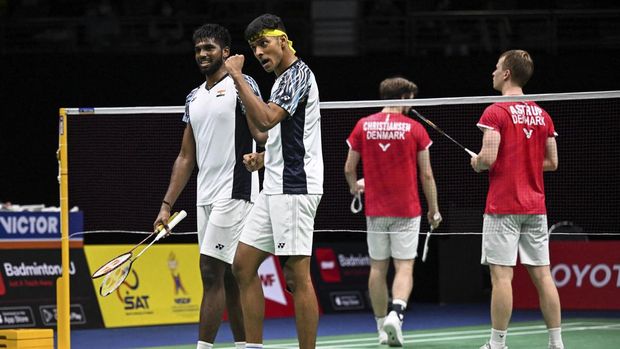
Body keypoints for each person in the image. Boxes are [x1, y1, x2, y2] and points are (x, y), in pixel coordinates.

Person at [153, 23, 267, 349]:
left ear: (226, 52)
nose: (203, 54)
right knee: (231, 275)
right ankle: (246, 346)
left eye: (210, 48)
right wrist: (166, 204)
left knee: (209, 269)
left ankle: (203, 347)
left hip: (237, 189)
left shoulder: (243, 86)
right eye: (199, 49)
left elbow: (263, 128)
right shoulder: (193, 98)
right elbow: (186, 157)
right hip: (206, 194)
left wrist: (264, 157)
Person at [223, 13, 324, 349]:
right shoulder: (281, 81)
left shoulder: (297, 75)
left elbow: (265, 121)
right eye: (254, 49)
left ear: (282, 40)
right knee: (242, 265)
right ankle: (252, 347)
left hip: (296, 187)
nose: (260, 53)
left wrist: (237, 74)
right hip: (276, 185)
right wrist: (265, 159)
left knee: (297, 278)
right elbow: (288, 135)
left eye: (264, 44)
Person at [470, 49, 563, 349]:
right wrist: (522, 162)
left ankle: (497, 344)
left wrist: (478, 162)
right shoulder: (543, 114)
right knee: (543, 276)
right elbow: (552, 162)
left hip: (503, 207)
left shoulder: (495, 112)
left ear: (507, 73)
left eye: (497, 67)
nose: (493, 72)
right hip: (535, 207)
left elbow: (488, 157)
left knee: (501, 277)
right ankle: (556, 343)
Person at [344, 77, 442, 347]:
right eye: (411, 98)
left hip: (376, 210)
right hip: (407, 210)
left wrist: (356, 188)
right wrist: (434, 210)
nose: (413, 104)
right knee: (404, 266)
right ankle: (396, 315)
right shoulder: (415, 129)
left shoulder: (363, 125)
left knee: (377, 267)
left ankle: (379, 327)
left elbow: (349, 169)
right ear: (402, 98)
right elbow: (427, 175)